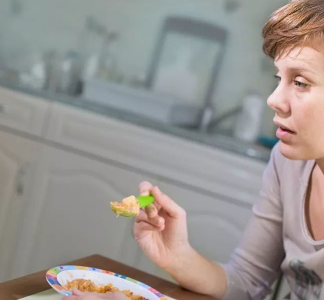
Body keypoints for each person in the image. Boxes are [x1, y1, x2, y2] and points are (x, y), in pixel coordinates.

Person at [65, 0, 324, 299]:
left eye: (301, 82)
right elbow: (247, 282)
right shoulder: (286, 162)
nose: (274, 100)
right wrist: (177, 256)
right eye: (280, 79)